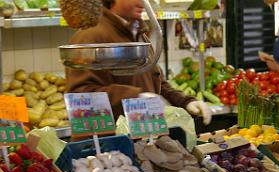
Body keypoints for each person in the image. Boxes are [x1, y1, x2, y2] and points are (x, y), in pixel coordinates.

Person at [66, 0, 211, 125]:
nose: (143, 2)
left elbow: (157, 81)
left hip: (144, 138)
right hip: (111, 147)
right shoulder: (90, 36)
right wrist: (135, 97)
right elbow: (81, 95)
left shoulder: (137, 33)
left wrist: (185, 102)